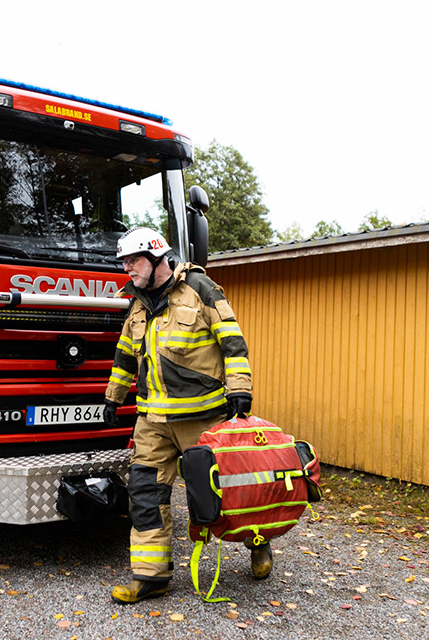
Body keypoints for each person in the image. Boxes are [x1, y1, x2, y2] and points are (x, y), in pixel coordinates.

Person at [103, 227, 267, 605]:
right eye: (124, 262)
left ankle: (259, 542)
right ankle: (151, 578)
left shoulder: (200, 288)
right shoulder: (138, 302)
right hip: (153, 422)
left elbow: (232, 340)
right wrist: (114, 396)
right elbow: (126, 353)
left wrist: (240, 388)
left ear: (157, 257)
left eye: (133, 260)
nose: (127, 268)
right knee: (146, 496)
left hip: (204, 419)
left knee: (227, 494)